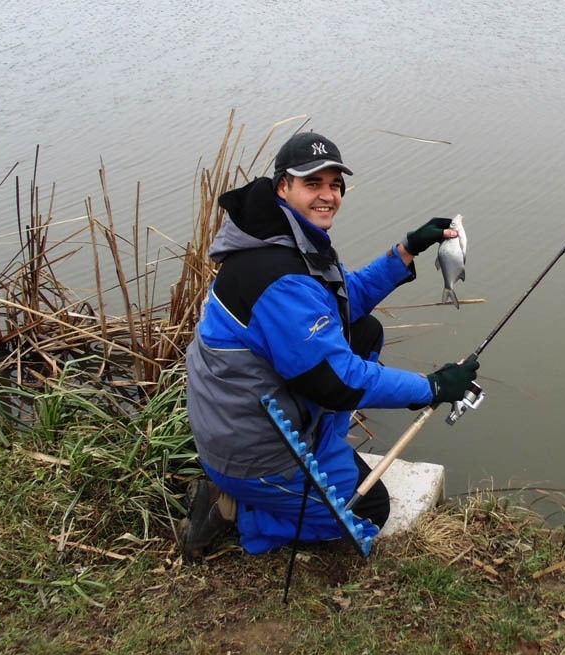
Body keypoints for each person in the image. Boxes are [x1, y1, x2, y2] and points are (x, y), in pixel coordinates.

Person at [179, 131, 479, 560]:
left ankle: (322, 449)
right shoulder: (276, 273)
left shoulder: (283, 237)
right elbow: (339, 381)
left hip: (256, 415)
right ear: (284, 186)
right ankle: (235, 510)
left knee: (366, 331)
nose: (328, 196)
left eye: (334, 184)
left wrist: (406, 251)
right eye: (312, 184)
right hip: (255, 454)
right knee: (368, 509)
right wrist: (431, 387)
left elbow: (337, 302)